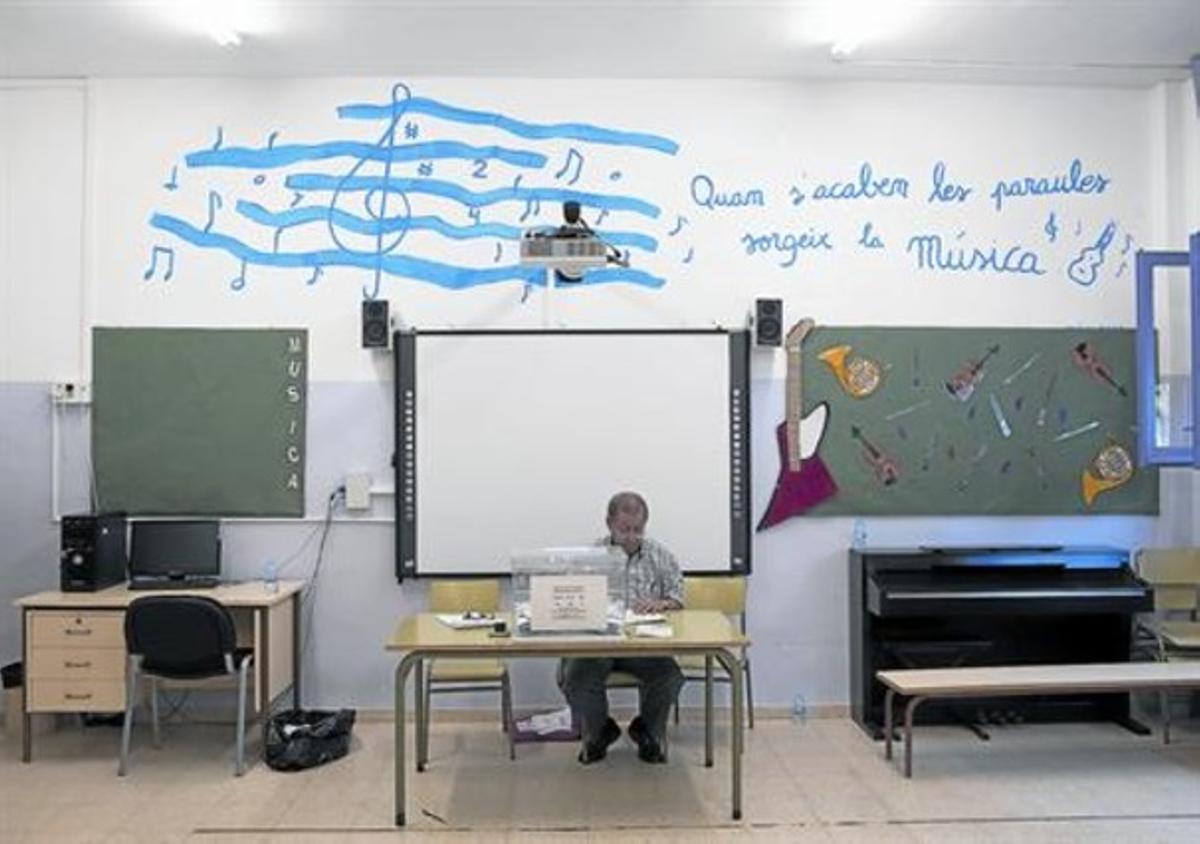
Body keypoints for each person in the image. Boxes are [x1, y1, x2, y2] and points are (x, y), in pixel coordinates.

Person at [558, 491, 685, 764]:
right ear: (609, 524)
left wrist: (662, 603)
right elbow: (572, 598)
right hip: (600, 643)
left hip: (643, 643)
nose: (630, 536)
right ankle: (601, 730)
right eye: (624, 529)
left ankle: (647, 731)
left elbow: (678, 598)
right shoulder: (591, 556)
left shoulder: (661, 556)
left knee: (670, 676)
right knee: (574, 677)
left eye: (637, 529)